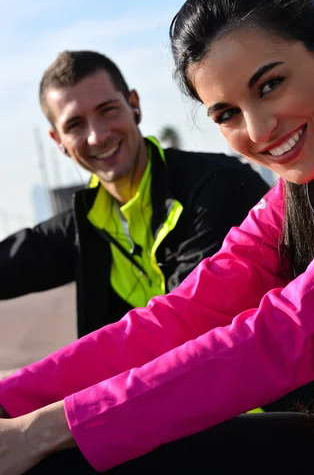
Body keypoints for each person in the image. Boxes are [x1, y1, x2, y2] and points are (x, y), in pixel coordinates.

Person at [1, 0, 314, 474]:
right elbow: (181, 316)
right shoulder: (297, 197)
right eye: (227, 114)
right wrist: (12, 400)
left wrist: (50, 425)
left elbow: (289, 332)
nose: (258, 129)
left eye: (271, 84)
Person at [0, 50, 268, 338]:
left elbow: (190, 322)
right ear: (58, 141)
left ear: (134, 105)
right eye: (75, 124)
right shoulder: (84, 224)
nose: (97, 135)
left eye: (107, 110)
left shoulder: (217, 185)